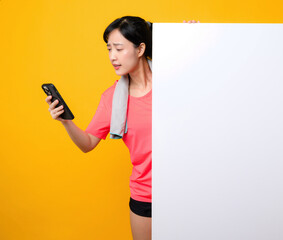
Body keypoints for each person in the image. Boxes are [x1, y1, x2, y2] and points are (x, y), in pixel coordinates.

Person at [45, 16, 199, 240]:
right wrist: (65, 121)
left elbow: (211, 81)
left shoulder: (176, 78)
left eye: (118, 48)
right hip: (146, 195)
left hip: (189, 189)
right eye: (109, 49)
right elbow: (87, 143)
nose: (112, 57)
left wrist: (194, 40)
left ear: (140, 49)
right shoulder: (112, 98)